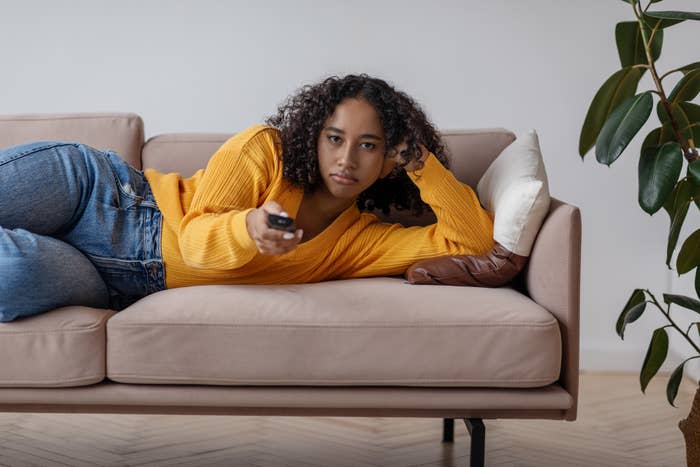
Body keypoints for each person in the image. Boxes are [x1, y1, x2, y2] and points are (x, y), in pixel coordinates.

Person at [0, 74, 495, 322]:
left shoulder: (360, 242)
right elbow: (194, 239)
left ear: (389, 158)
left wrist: (421, 164)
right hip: (102, 196)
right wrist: (250, 229)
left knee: (14, 275)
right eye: (335, 138)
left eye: (369, 146)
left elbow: (470, 243)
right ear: (313, 136)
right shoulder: (265, 150)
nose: (347, 160)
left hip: (114, 281)